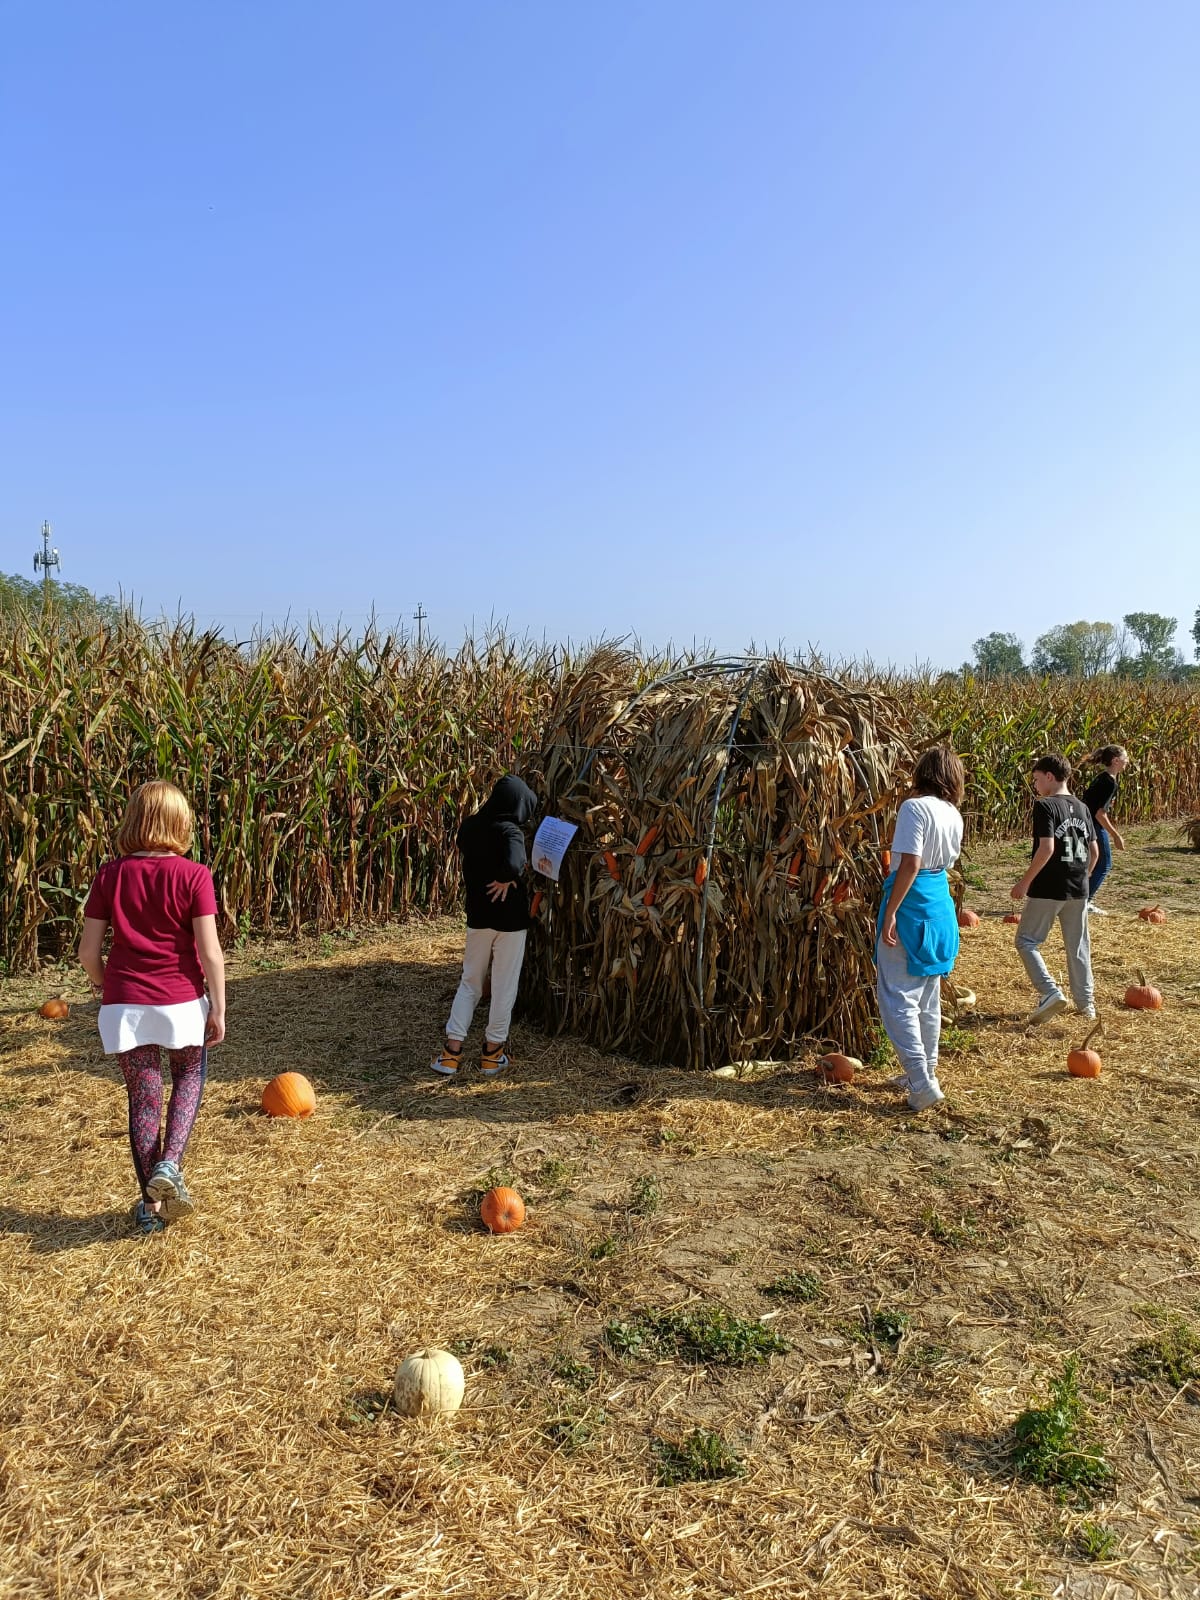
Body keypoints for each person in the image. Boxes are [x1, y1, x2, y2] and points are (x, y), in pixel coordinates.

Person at [78, 781, 225, 1235]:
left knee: (143, 1100)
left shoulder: (108, 876)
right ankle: (170, 1165)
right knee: (188, 1077)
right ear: (179, 824)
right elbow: (209, 950)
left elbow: (87, 952)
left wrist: (109, 988)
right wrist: (218, 1006)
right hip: (180, 1001)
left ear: (134, 821)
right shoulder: (194, 875)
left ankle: (150, 1208)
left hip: (125, 1005)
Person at [876, 746, 965, 1112]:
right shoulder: (952, 813)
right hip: (940, 902)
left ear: (921, 773)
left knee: (897, 997)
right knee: (927, 997)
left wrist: (892, 911)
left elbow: (910, 863)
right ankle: (926, 1072)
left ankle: (919, 1080)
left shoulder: (914, 808)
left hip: (913, 904)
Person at [431, 774, 537, 1079]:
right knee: (504, 986)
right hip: (510, 922)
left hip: (478, 916)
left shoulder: (471, 826)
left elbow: (465, 846)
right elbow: (516, 864)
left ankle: (451, 1055)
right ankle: (492, 1055)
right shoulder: (510, 831)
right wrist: (507, 877)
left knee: (470, 982)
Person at [1010, 752, 1098, 1025]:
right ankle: (1086, 1006)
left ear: (1050, 776)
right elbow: (1094, 852)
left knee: (1026, 941)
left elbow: (1047, 848)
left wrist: (1025, 882)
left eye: (1037, 779)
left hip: (1048, 887)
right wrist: (1083, 876)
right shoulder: (1083, 807)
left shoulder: (1045, 806)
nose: (1036, 785)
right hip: (1078, 889)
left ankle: (1050, 991)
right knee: (1078, 947)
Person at [1081, 744, 1129, 911]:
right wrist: (1116, 835)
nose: (1127, 761)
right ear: (1116, 761)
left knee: (1091, 863)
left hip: (1084, 823)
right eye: (1125, 758)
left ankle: (1079, 899)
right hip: (1093, 825)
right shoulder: (1109, 782)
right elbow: (1100, 814)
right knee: (1104, 864)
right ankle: (1084, 902)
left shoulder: (1102, 777)